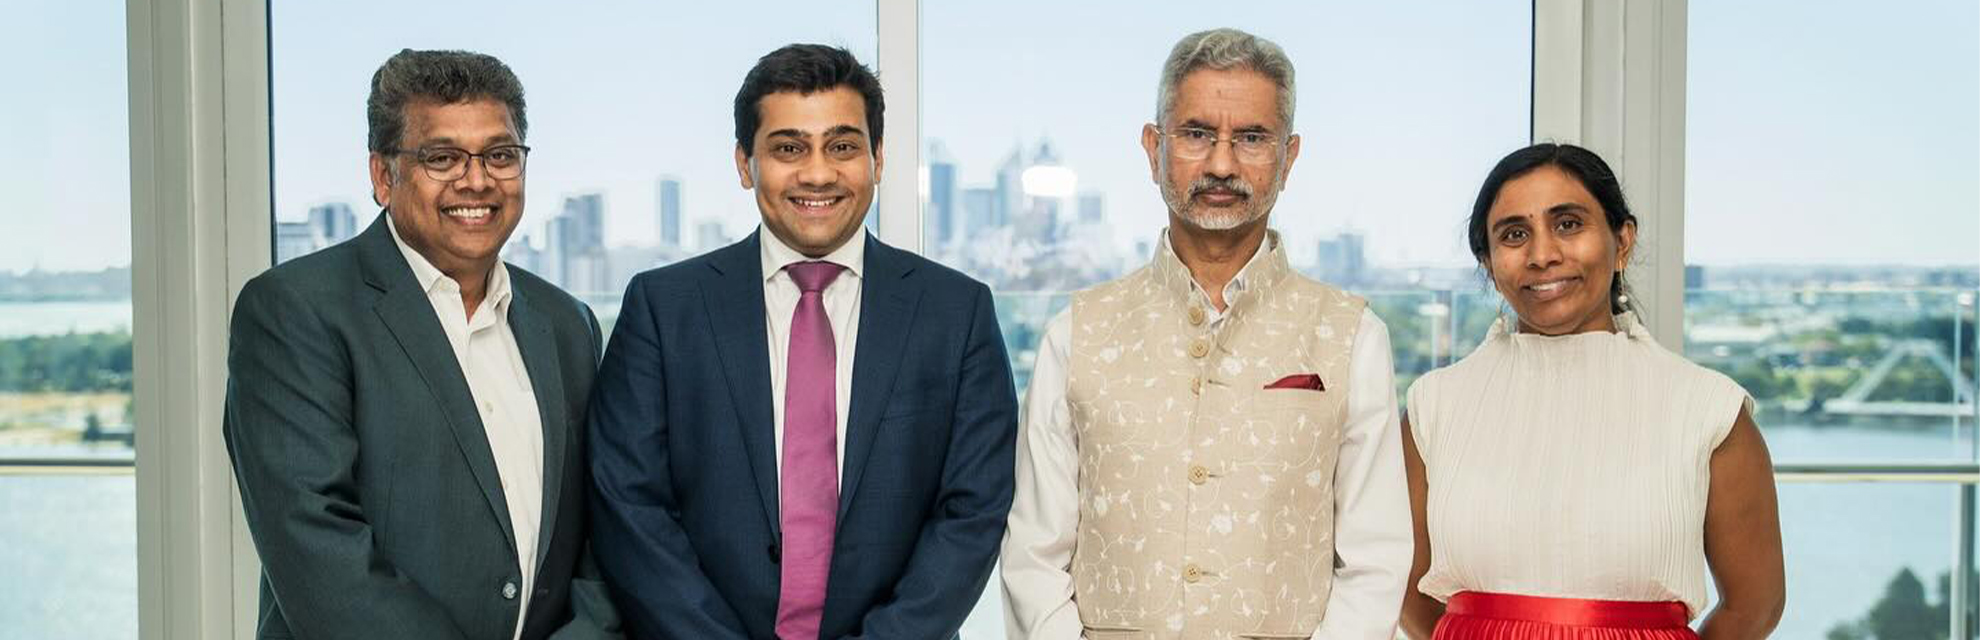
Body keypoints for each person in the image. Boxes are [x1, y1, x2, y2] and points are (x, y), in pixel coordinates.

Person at [587, 43, 1019, 640]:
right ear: (745, 164)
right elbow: (628, 507)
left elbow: (971, 513)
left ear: (879, 158)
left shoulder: (957, 313)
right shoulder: (663, 308)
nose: (818, 173)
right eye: (788, 148)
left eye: (842, 146)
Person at [1001, 28, 1413, 640]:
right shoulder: (1077, 332)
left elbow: (1375, 559)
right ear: (1153, 148)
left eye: (1250, 138)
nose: (1222, 163)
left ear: (1289, 157)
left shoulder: (1353, 336)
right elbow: (1034, 551)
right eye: (1196, 135)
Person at [223, 49, 620, 640]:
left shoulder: (568, 325)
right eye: (442, 157)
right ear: (384, 176)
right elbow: (322, 556)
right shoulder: (293, 311)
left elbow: (603, 536)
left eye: (501, 155)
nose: (478, 179)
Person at [1398, 143, 1786, 639]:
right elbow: (1407, 588)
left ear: (1622, 241)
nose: (1543, 255)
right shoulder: (1434, 407)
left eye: (1568, 224)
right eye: (1515, 234)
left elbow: (1756, 604)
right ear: (1490, 264)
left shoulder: (1709, 409)